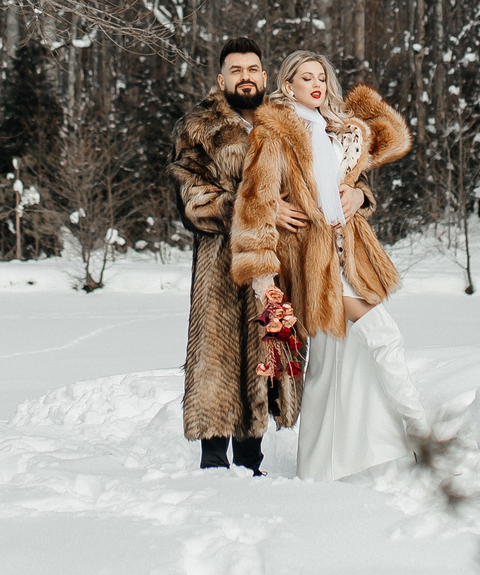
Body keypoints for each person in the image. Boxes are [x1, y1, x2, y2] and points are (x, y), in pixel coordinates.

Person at [230, 51, 424, 481]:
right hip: (308, 262)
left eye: (321, 76)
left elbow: (382, 151)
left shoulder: (338, 130)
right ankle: (422, 433)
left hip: (346, 253)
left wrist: (360, 196)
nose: (316, 84)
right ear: (289, 85)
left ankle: (323, 466)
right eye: (305, 77)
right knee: (384, 334)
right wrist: (265, 283)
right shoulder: (275, 131)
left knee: (335, 362)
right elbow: (253, 203)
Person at [169, 37, 311, 473]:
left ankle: (252, 459)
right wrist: (258, 208)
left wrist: (358, 194)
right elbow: (192, 198)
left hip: (276, 262)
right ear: (221, 78)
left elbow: (329, 171)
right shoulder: (198, 128)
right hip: (220, 263)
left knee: (264, 354)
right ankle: (213, 459)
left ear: (265, 77)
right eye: (236, 70)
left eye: (252, 69)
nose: (245, 77)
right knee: (217, 358)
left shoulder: (288, 123)